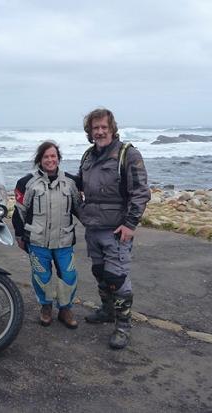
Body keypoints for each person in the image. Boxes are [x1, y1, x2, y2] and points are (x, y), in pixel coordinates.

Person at [79, 108, 151, 349]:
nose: (99, 132)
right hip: (93, 228)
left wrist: (130, 224)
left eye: (103, 128)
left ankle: (123, 326)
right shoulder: (88, 156)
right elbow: (81, 185)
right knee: (100, 273)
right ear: (89, 131)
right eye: (95, 128)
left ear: (112, 129)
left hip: (117, 230)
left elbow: (141, 192)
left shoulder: (127, 154)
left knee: (117, 278)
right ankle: (107, 311)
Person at [12, 141, 82, 328]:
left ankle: (65, 309)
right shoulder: (26, 183)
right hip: (37, 241)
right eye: (46, 157)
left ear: (58, 158)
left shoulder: (71, 182)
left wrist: (96, 226)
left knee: (68, 275)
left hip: (64, 241)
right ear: (39, 160)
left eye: (53, 156)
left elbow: (79, 209)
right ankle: (46, 307)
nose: (50, 160)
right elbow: (19, 212)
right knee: (41, 277)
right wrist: (19, 236)